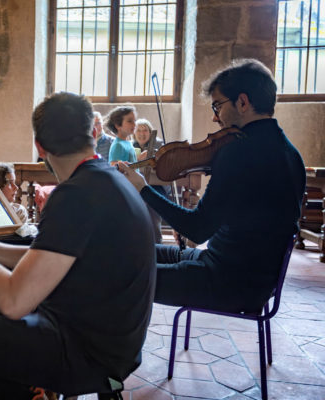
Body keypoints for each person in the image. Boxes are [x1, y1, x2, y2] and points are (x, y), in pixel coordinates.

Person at [0, 92, 156, 400]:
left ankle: (24, 392)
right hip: (114, 347)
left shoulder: (75, 194)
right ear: (95, 132)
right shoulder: (107, 181)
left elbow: (13, 300)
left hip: (82, 353)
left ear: (40, 147)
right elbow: (43, 258)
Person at [119, 58, 305, 313]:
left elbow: (196, 230)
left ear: (242, 102)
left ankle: (113, 352)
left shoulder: (239, 152)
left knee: (118, 273)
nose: (214, 117)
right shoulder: (290, 153)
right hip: (252, 281)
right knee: (132, 250)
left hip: (225, 282)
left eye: (217, 105)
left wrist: (142, 188)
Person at [132, 119, 168, 243]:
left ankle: (156, 242)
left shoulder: (159, 145)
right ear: (134, 133)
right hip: (136, 186)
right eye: (139, 130)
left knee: (152, 204)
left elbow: (165, 166)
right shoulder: (131, 146)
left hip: (156, 186)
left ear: (150, 131)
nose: (142, 133)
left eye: (145, 130)